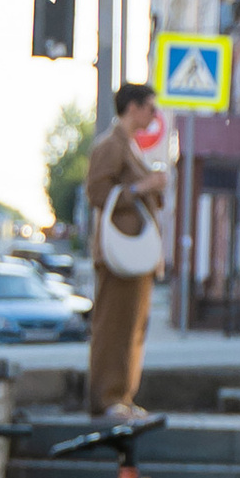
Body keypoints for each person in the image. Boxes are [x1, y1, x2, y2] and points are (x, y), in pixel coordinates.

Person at [84, 82, 170, 422]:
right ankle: (107, 397)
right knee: (113, 326)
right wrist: (142, 186)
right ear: (132, 107)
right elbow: (97, 192)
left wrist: (150, 187)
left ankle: (122, 395)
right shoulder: (111, 144)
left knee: (134, 326)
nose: (154, 114)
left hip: (135, 254)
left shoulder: (131, 146)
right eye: (150, 107)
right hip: (119, 253)